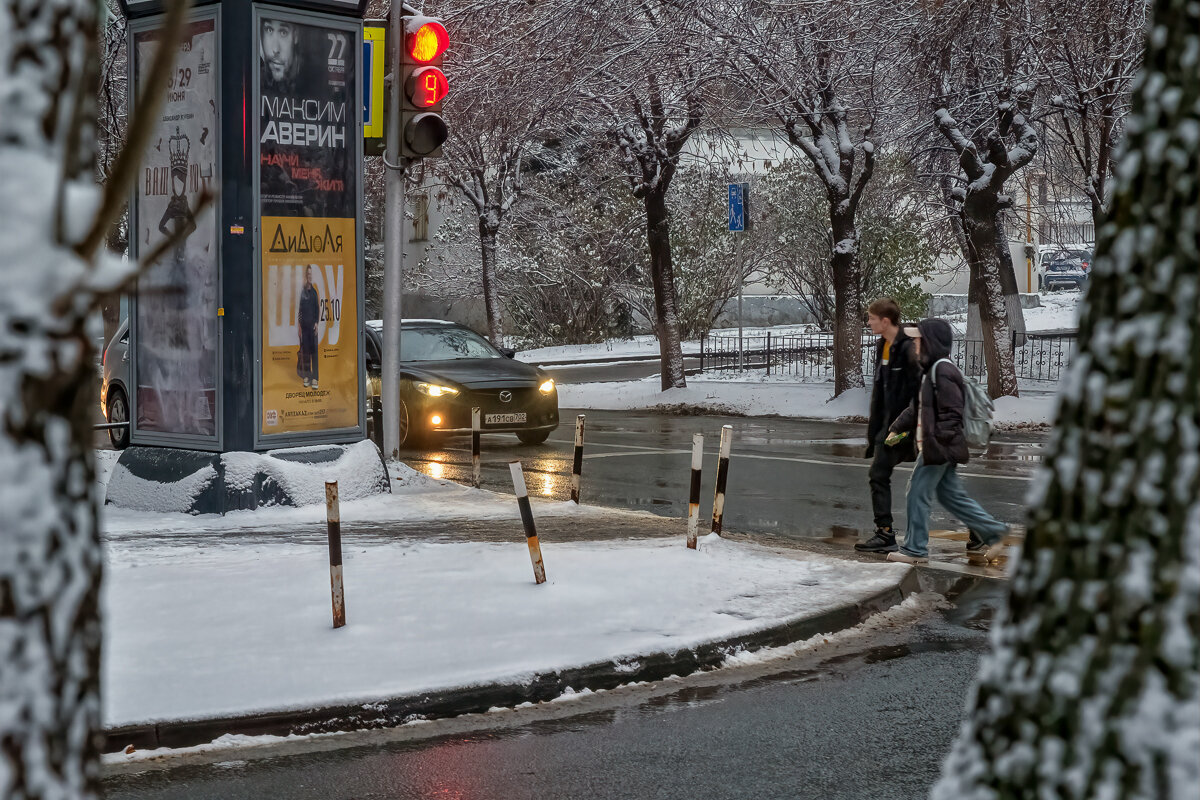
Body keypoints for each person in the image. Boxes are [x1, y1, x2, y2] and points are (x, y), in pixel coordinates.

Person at [883, 318, 1008, 565]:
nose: (915, 344)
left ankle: (915, 549)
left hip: (938, 446)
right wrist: (897, 428)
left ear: (931, 342)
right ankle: (994, 532)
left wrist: (939, 444)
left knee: (916, 492)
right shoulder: (933, 370)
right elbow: (916, 408)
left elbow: (952, 411)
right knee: (952, 497)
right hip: (939, 445)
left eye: (919, 339)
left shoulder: (943, 370)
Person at [856, 298, 922, 553]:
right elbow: (880, 392)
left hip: (907, 425)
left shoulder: (907, 348)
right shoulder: (883, 345)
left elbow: (920, 392)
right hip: (889, 426)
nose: (869, 322)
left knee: (935, 480)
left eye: (871, 318)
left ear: (885, 321)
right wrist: (876, 430)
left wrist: (906, 424)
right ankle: (884, 533)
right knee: (879, 474)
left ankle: (885, 534)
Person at [297, 266, 320, 389]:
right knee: (305, 352)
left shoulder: (315, 292)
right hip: (304, 328)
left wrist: (316, 323)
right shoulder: (302, 292)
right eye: (308, 274)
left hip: (313, 328)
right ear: (305, 276)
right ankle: (307, 376)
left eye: (311, 274)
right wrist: (299, 326)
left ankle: (315, 378)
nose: (310, 276)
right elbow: (299, 310)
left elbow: (317, 309)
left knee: (314, 353)